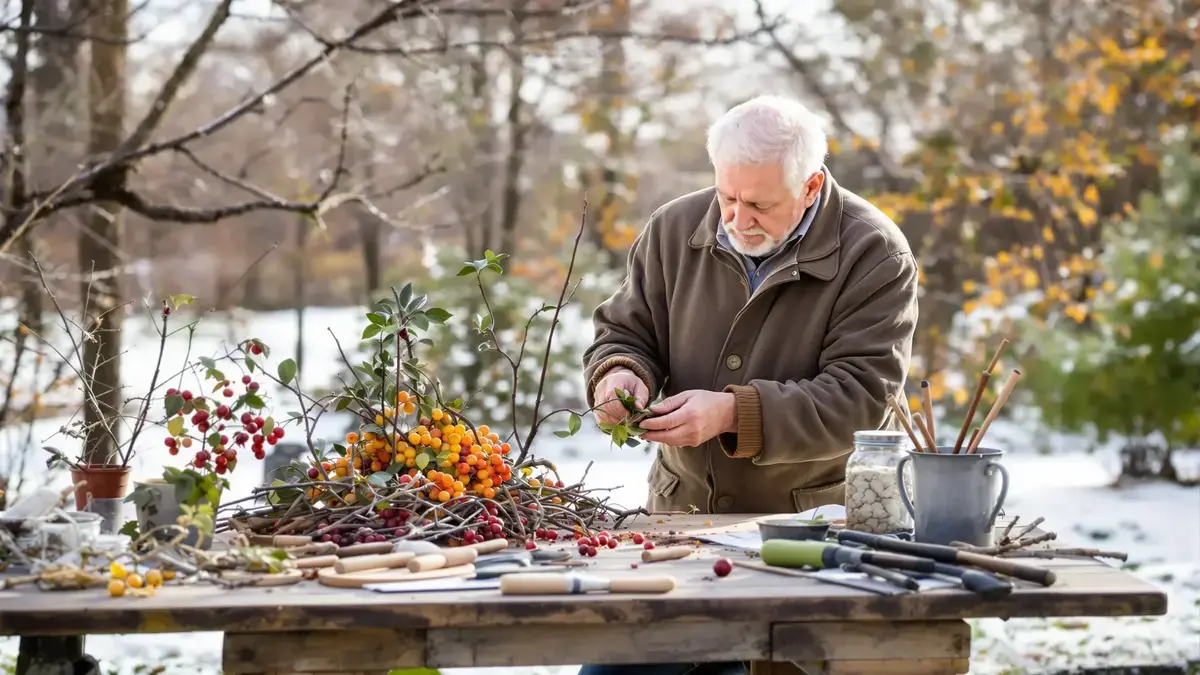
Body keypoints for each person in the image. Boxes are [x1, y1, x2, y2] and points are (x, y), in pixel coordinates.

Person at [575, 95, 920, 675]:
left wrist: (733, 414)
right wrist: (619, 375)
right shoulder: (673, 228)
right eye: (726, 197)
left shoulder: (876, 252)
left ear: (811, 187)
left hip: (805, 534)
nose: (736, 219)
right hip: (679, 523)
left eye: (759, 204)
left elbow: (863, 397)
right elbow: (623, 332)